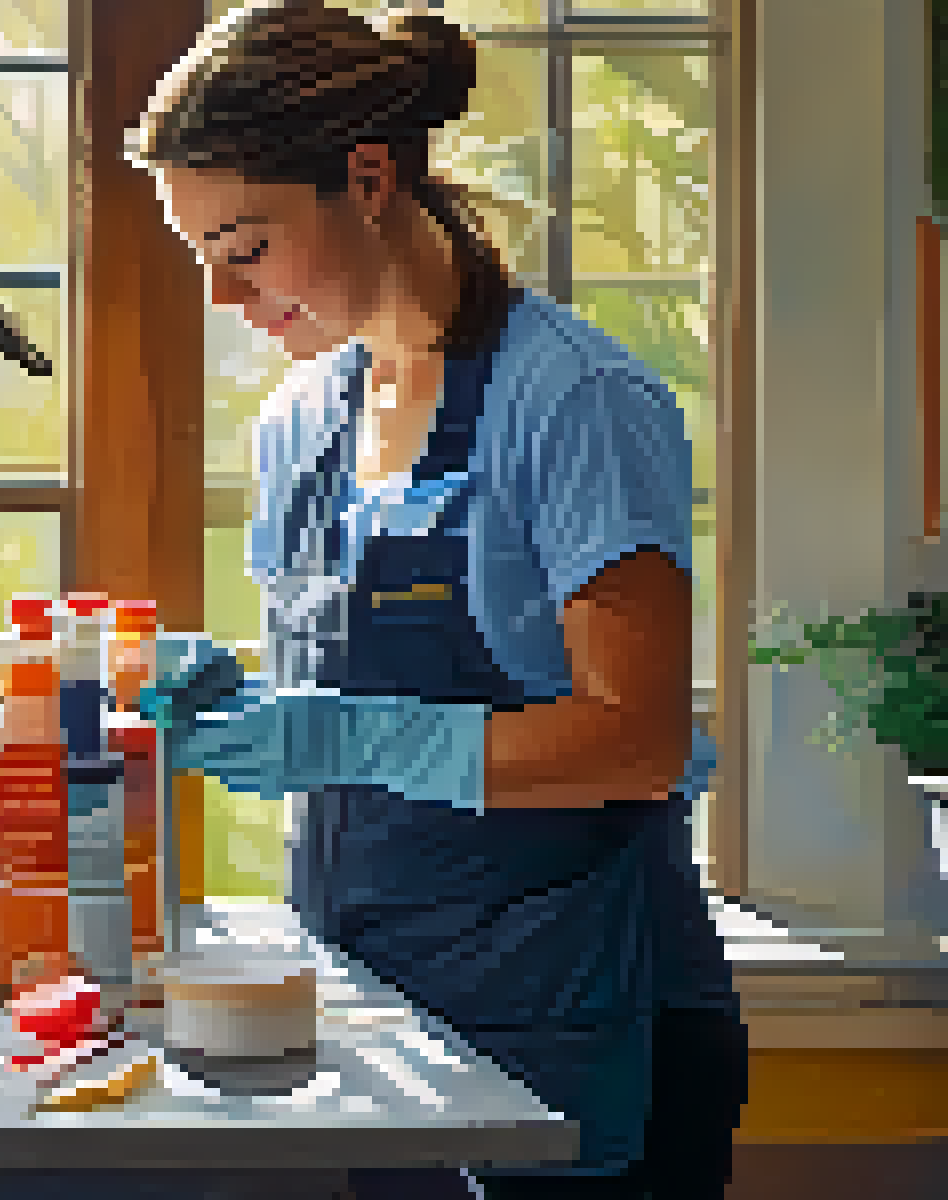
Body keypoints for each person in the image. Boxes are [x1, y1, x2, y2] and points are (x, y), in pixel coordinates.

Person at [124, 4, 748, 1198]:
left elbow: (639, 740)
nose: (220, 294)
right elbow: (357, 706)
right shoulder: (299, 426)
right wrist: (244, 703)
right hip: (379, 1028)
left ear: (368, 179)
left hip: (575, 1028)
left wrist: (345, 735)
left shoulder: (573, 404)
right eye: (199, 253)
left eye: (244, 246)